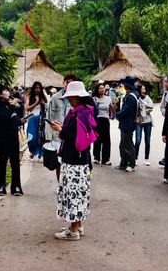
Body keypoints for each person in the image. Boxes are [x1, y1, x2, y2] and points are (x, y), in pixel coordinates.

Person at [55, 81, 97, 241]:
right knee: (78, 193)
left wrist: (61, 130)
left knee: (73, 193)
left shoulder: (80, 113)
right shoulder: (83, 112)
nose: (68, 99)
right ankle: (77, 224)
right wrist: (63, 129)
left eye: (69, 96)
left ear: (75, 96)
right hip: (80, 160)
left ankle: (73, 230)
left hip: (74, 160)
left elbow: (77, 139)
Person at [0, 84, 24, 196]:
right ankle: (0, 187)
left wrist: (20, 121)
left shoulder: (9, 105)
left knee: (15, 162)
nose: (8, 92)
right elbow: (3, 118)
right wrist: (12, 106)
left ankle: (16, 187)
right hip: (2, 137)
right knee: (2, 162)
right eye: (5, 90)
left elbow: (13, 119)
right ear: (0, 94)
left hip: (13, 137)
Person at [46, 77, 69, 181]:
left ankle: (67, 183)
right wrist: (48, 136)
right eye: (67, 83)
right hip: (56, 134)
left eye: (71, 83)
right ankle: (59, 183)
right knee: (58, 161)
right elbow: (49, 116)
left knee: (68, 160)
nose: (68, 85)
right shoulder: (55, 97)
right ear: (63, 83)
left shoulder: (76, 98)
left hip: (69, 133)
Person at [115, 75, 139, 172]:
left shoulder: (131, 97)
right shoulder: (132, 94)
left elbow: (126, 110)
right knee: (123, 144)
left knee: (128, 144)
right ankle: (124, 163)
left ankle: (131, 164)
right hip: (126, 123)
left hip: (127, 123)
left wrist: (118, 114)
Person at [92, 82, 112, 165]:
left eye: (103, 88)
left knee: (106, 139)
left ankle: (105, 159)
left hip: (105, 120)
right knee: (97, 139)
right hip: (97, 119)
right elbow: (92, 110)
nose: (102, 90)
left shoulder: (108, 98)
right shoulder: (94, 99)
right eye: (100, 88)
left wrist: (116, 105)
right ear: (97, 89)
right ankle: (96, 157)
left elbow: (111, 110)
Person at [25, 81, 47, 161]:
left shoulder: (43, 97)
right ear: (33, 88)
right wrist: (36, 102)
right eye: (36, 88)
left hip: (41, 120)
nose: (38, 90)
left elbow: (48, 107)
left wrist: (44, 103)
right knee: (32, 137)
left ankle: (40, 154)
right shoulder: (29, 96)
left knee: (41, 137)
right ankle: (32, 150)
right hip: (32, 119)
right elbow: (27, 108)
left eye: (39, 88)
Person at [135, 84, 154, 165]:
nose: (144, 91)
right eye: (143, 89)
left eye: (145, 89)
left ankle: (146, 159)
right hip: (138, 122)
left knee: (148, 141)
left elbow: (151, 107)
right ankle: (135, 158)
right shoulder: (136, 98)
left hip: (148, 122)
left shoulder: (147, 97)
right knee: (138, 140)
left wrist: (145, 110)